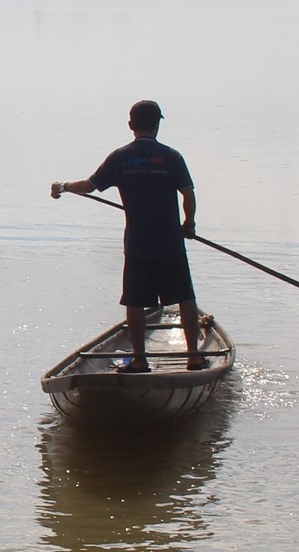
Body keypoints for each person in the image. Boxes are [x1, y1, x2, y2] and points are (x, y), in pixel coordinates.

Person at [51, 99, 206, 372]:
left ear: (131, 125)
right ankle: (193, 356)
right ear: (157, 125)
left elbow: (88, 186)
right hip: (170, 241)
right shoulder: (171, 157)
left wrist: (62, 186)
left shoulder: (120, 158)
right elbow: (188, 194)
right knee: (185, 296)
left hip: (138, 244)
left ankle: (139, 360)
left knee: (135, 301)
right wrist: (189, 224)